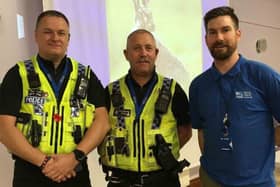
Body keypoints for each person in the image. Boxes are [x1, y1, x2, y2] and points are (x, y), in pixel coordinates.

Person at [0, 10, 110, 187]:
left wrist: (74, 158)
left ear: (68, 38)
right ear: (36, 35)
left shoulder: (86, 76)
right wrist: (45, 162)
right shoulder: (18, 75)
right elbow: (4, 128)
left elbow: (103, 121)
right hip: (30, 173)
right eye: (47, 32)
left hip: (74, 172)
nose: (55, 38)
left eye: (61, 33)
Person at [189, 6, 280, 187]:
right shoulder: (198, 85)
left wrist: (265, 150)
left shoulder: (263, 76)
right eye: (212, 32)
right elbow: (201, 131)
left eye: (225, 30)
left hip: (257, 182)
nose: (219, 37)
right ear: (206, 39)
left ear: (238, 34)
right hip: (212, 179)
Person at [98, 29, 192, 187]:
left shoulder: (173, 90)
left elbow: (185, 131)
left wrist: (161, 156)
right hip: (121, 180)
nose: (143, 53)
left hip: (163, 179)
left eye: (148, 48)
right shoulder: (110, 91)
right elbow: (99, 130)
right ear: (126, 54)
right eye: (136, 48)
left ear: (156, 53)